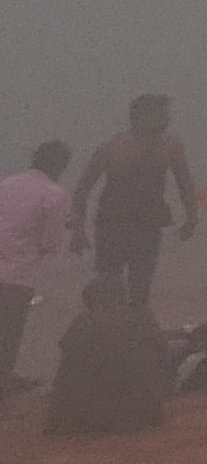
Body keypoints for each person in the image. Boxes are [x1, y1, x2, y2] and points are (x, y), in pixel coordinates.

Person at [66, 97, 196, 311]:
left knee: (141, 285)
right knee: (109, 283)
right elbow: (82, 190)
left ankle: (138, 331)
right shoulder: (112, 148)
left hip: (148, 223)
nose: (167, 119)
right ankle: (108, 332)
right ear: (141, 118)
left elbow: (185, 184)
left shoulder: (171, 146)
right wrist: (78, 230)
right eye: (161, 115)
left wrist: (192, 218)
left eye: (166, 114)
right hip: (112, 223)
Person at [41, 275, 175, 434]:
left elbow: (67, 366)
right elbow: (162, 353)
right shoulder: (142, 316)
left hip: (84, 418)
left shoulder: (82, 322)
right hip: (138, 414)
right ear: (122, 295)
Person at [0, 140, 70, 387]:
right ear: (62, 166)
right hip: (18, 275)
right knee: (9, 332)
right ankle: (4, 382)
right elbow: (50, 244)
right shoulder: (54, 194)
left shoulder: (6, 184)